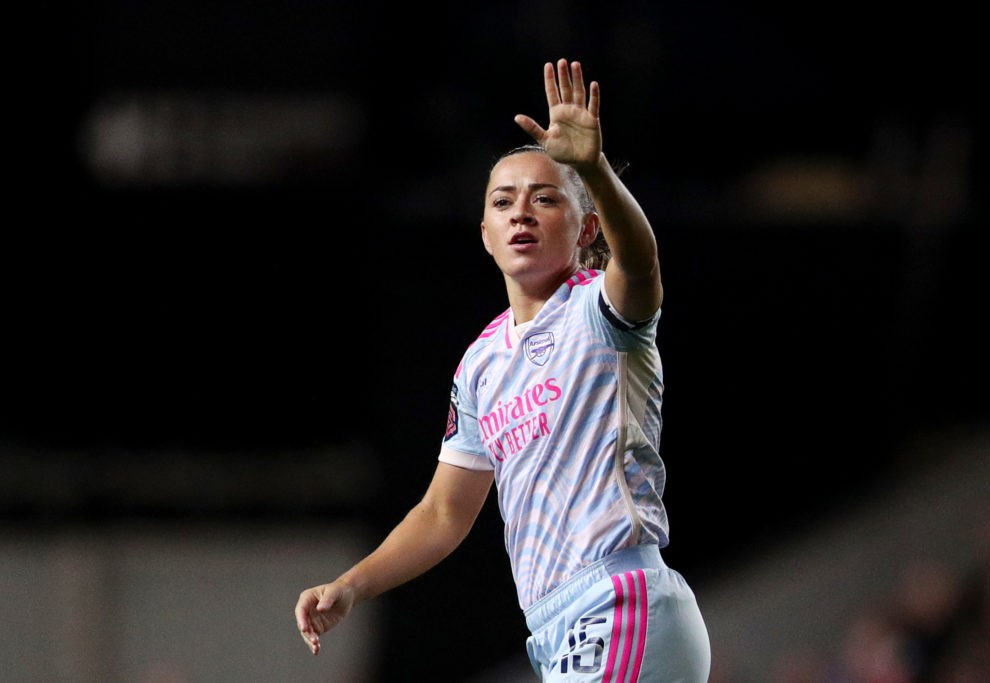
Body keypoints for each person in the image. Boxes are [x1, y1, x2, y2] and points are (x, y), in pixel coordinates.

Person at [295, 58, 712, 682]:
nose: (521, 212)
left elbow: (643, 263)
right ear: (486, 233)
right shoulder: (482, 364)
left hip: (618, 601)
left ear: (586, 228)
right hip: (554, 626)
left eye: (545, 198)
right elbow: (443, 514)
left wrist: (592, 168)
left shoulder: (599, 310)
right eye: (503, 201)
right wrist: (353, 585)